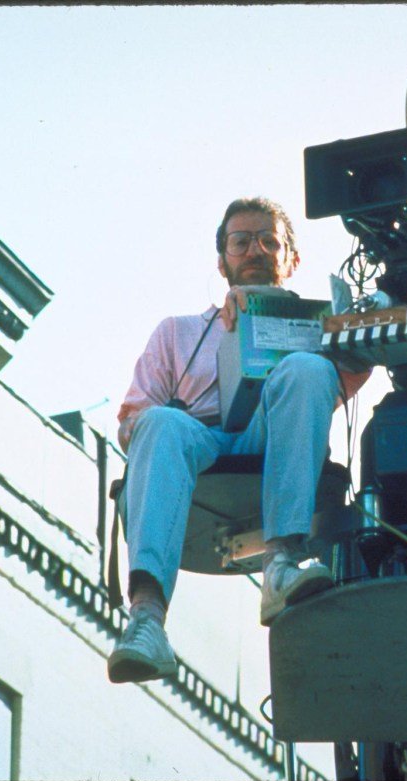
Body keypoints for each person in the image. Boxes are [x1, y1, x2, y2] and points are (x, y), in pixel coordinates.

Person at [107, 197, 371, 683]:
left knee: (310, 368)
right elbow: (133, 424)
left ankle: (281, 567)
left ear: (291, 259)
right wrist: (154, 427)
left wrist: (347, 324)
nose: (255, 249)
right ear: (222, 259)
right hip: (198, 444)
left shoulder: (316, 329)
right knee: (161, 423)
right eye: (241, 240)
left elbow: (349, 374)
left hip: (269, 439)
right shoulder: (177, 333)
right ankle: (146, 619)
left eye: (270, 240)